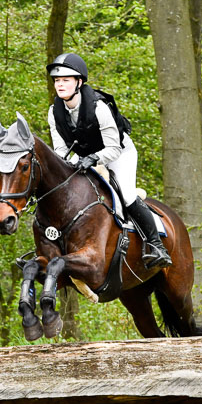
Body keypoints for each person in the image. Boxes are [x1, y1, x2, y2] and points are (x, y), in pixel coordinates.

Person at [46, 52, 172, 269]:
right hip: (85, 156)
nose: (60, 85)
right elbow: (60, 149)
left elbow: (113, 147)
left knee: (126, 194)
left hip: (118, 153)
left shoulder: (99, 107)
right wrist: (75, 163)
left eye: (66, 80)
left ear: (79, 82)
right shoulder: (53, 111)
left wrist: (93, 159)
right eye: (57, 80)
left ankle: (157, 245)